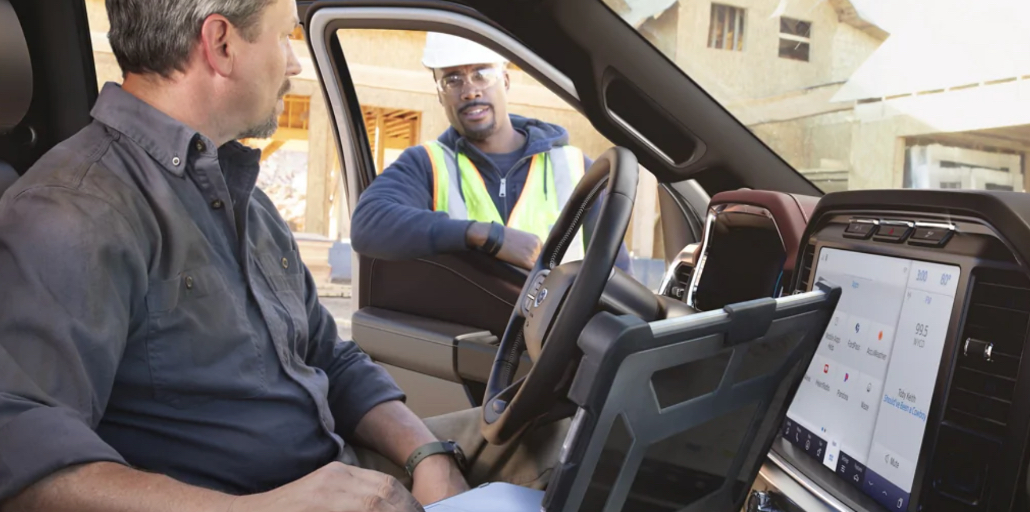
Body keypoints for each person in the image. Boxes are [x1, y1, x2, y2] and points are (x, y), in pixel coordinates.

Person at [0, 2, 563, 511]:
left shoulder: (245, 197)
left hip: (337, 470)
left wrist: (427, 457)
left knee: (561, 433)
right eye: (286, 36)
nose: (295, 63)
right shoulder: (71, 211)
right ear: (221, 45)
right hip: (252, 501)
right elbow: (23, 460)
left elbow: (329, 357)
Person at [351, 33, 632, 272]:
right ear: (439, 95)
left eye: (482, 74)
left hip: (557, 334)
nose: (470, 91)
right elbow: (368, 224)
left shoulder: (577, 169)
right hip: (466, 333)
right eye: (452, 80)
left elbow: (616, 277)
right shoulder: (426, 165)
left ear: (506, 81)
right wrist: (484, 235)